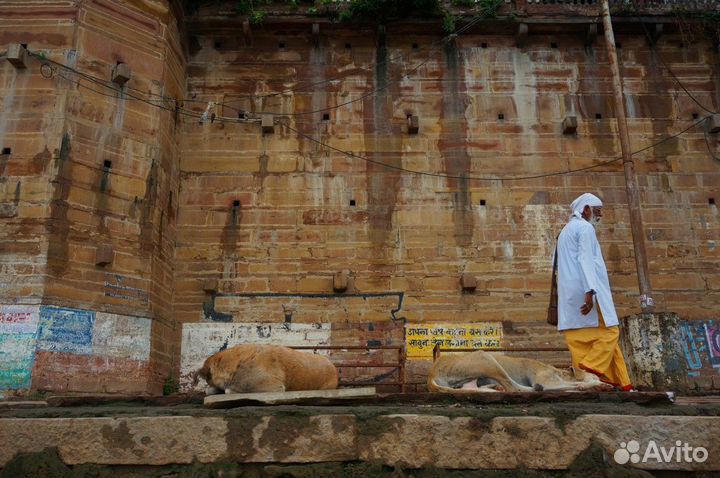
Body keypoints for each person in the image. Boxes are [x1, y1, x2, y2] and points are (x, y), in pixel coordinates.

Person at [555, 193, 634, 391]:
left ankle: (623, 384)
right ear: (586, 209)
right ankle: (589, 369)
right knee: (610, 331)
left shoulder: (565, 231)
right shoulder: (584, 228)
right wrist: (590, 291)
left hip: (569, 293)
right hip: (586, 289)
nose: (599, 215)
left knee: (579, 337)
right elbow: (585, 260)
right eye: (597, 211)